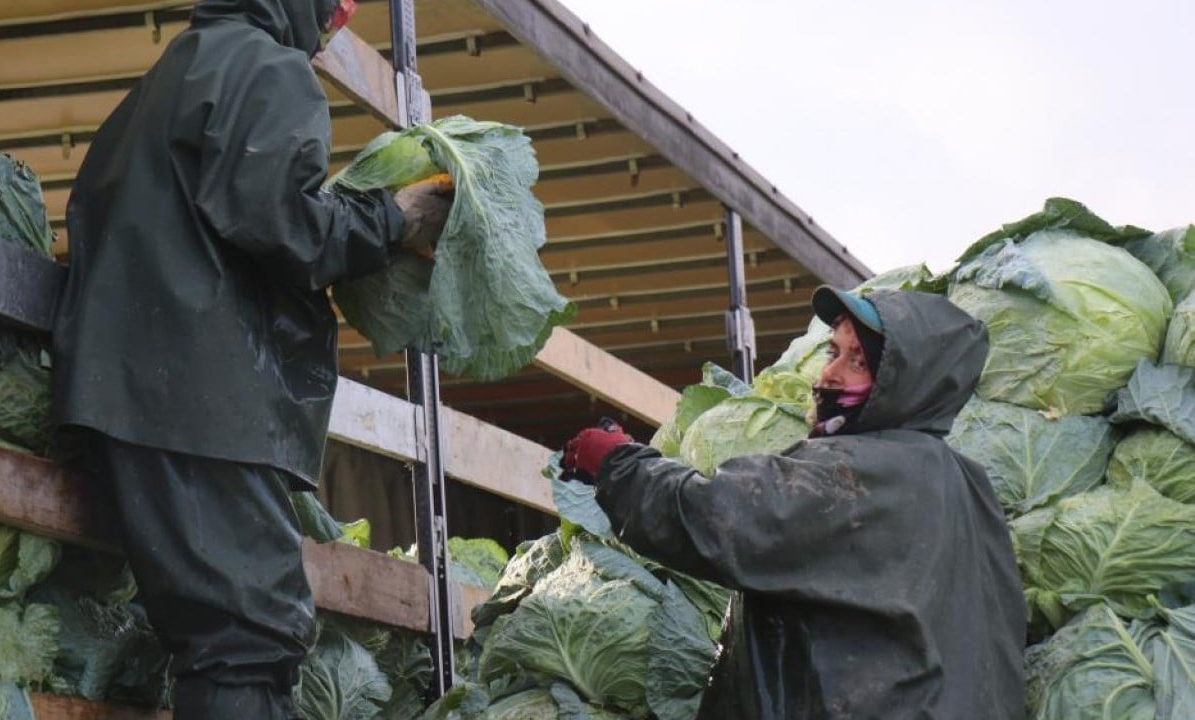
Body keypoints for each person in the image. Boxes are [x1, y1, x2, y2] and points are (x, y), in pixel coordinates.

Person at [50, 1, 451, 717]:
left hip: (138, 394)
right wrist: (396, 217)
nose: (341, 14)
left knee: (217, 636)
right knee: (247, 636)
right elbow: (285, 226)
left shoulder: (175, 69)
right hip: (201, 401)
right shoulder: (267, 67)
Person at [560, 286, 1026, 719]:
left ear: (906, 384)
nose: (830, 373)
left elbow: (718, 517)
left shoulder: (862, 472)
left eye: (858, 362)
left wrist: (617, 464)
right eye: (833, 352)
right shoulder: (967, 483)